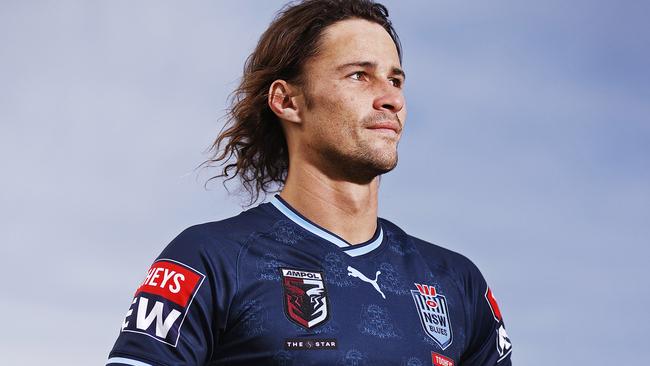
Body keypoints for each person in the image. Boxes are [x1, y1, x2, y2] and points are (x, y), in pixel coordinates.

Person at [107, 0, 512, 365]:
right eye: (359, 75)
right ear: (287, 101)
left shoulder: (455, 281)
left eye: (396, 80)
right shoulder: (209, 259)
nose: (392, 99)